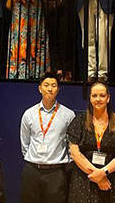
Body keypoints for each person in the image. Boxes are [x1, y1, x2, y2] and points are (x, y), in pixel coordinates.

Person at [67, 81, 115, 202]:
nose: (98, 99)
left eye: (102, 95)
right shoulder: (79, 121)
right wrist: (97, 176)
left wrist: (103, 173)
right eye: (94, 95)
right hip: (84, 180)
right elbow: (75, 154)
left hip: (111, 182)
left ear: (108, 98)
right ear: (90, 98)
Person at [20, 72, 76, 203]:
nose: (50, 89)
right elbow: (25, 143)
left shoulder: (68, 115)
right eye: (46, 85)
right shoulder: (29, 114)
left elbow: (71, 145)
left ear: (58, 89)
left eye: (53, 85)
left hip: (56, 172)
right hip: (32, 171)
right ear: (40, 88)